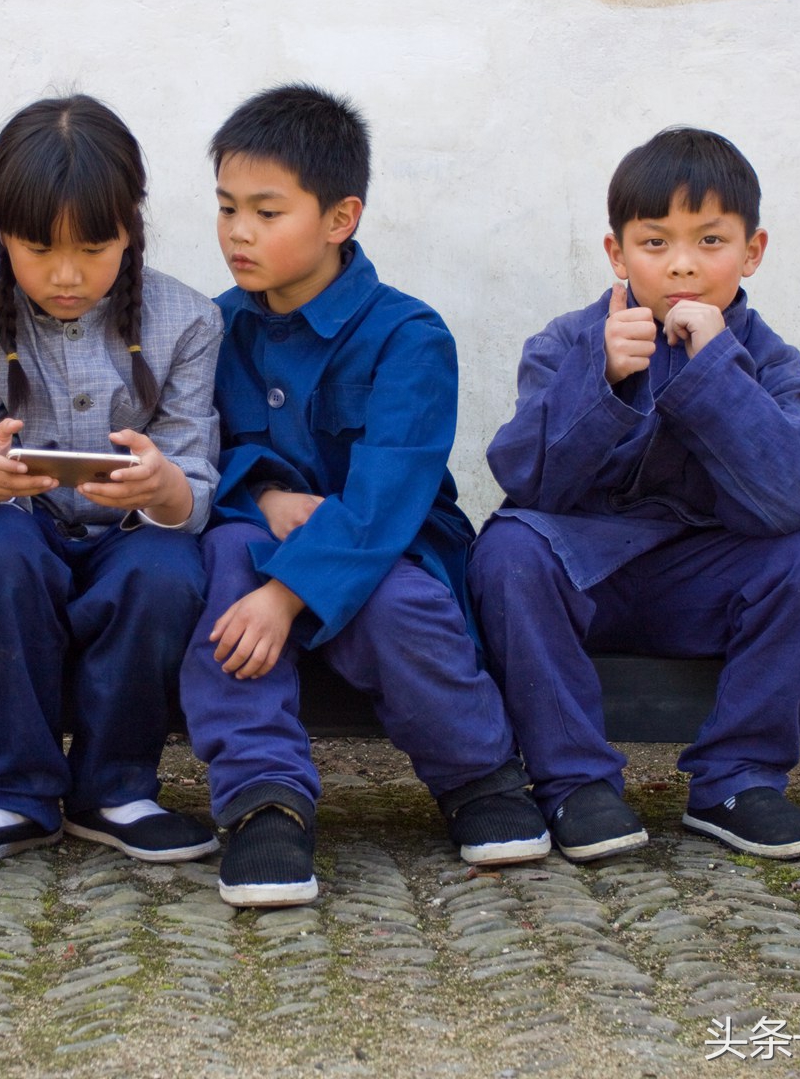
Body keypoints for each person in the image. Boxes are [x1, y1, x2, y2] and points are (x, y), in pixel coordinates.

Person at [179, 83, 551, 909]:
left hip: (392, 547)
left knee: (392, 599)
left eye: (267, 213)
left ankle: (478, 776)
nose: (239, 232)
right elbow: (203, 448)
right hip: (256, 534)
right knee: (227, 557)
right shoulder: (214, 327)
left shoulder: (407, 335)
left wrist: (289, 592)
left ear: (340, 218)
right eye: (227, 208)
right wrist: (266, 494)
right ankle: (262, 801)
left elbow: (389, 495)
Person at [471, 126, 800, 863]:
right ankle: (573, 783)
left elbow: (796, 498)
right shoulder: (568, 342)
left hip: (702, 584)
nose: (682, 265)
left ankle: (738, 780)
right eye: (655, 244)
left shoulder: (767, 358)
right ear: (617, 253)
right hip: (584, 574)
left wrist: (717, 368)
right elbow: (526, 479)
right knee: (507, 552)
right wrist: (601, 381)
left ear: (752, 252)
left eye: (710, 242)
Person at [0, 95, 222, 870]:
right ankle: (9, 791)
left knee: (167, 568)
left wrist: (162, 490)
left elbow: (195, 483)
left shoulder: (190, 320)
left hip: (130, 537)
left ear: (132, 226)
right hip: (23, 525)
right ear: (1, 235)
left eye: (96, 247)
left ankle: (115, 789)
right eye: (37, 249)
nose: (68, 275)